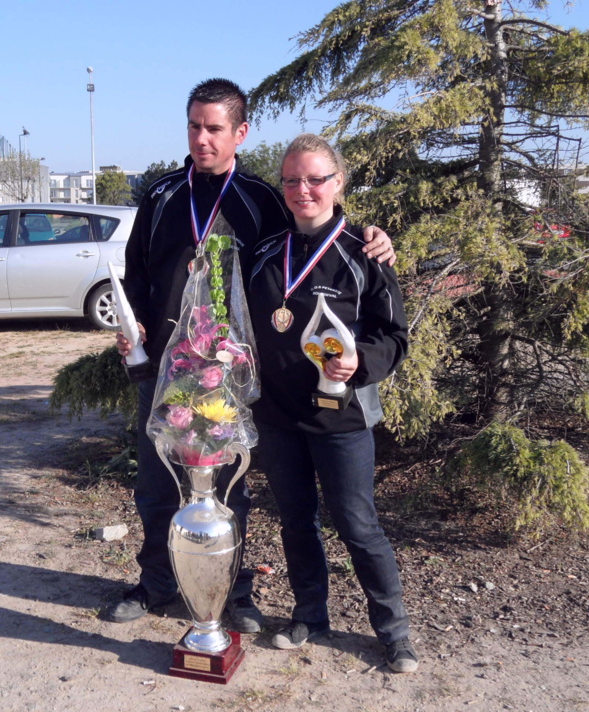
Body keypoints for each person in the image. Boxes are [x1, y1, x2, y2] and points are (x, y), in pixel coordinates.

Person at [112, 79, 395, 634]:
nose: (201, 138)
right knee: (155, 483)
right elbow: (136, 276)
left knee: (230, 489)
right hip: (169, 371)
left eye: (214, 128)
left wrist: (372, 237)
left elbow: (312, 239)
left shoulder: (263, 198)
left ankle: (233, 592)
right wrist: (136, 328)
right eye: (194, 126)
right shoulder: (161, 195)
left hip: (230, 374)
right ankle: (156, 584)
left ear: (240, 133)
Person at [246, 134, 418, 672]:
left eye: (316, 178)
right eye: (293, 180)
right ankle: (309, 615)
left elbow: (396, 338)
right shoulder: (265, 253)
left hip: (341, 416)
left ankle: (394, 633)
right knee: (296, 521)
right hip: (276, 416)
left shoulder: (364, 252)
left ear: (338, 183)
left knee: (358, 525)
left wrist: (359, 362)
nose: (304, 190)